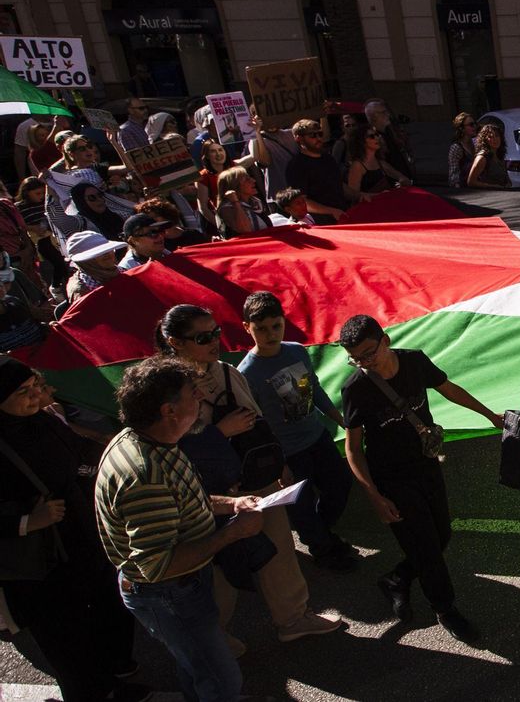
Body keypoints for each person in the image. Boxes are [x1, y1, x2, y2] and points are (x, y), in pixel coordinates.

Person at [156, 305, 346, 650]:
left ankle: (293, 618)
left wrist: (276, 465)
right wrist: (219, 433)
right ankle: (211, 638)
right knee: (216, 568)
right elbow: (163, 446)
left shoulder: (228, 372)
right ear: (175, 343)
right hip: (207, 493)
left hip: (252, 480)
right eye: (202, 337)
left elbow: (258, 422)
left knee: (278, 550)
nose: (214, 341)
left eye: (215, 333)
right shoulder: (163, 388)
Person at [95, 356, 264, 702]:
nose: (201, 397)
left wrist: (232, 504)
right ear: (169, 410)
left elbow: (187, 497)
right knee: (222, 678)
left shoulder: (155, 441)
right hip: (170, 593)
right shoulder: (145, 476)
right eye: (193, 393)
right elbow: (158, 565)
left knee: (197, 665)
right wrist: (232, 532)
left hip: (182, 588)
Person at [338, 314, 503, 643]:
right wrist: (375, 497)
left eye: (368, 354)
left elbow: (449, 388)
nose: (363, 362)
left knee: (441, 535)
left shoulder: (414, 361)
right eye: (355, 358)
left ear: (385, 340)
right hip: (391, 478)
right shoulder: (356, 388)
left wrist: (490, 416)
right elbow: (353, 449)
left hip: (426, 465)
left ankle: (397, 578)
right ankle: (445, 608)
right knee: (426, 546)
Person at [0, 359, 146, 702]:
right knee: (67, 640)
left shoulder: (45, 421)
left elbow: (79, 454)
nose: (36, 395)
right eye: (23, 392)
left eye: (36, 384)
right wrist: (26, 521)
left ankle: (114, 678)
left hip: (83, 537)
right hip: (41, 564)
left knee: (108, 609)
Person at [236, 291, 355, 572]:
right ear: (247, 328)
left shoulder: (296, 350)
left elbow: (314, 389)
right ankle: (322, 550)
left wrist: (340, 419)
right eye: (261, 329)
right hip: (288, 452)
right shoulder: (247, 373)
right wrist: (279, 464)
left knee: (340, 484)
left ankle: (322, 533)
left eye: (276, 326)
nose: (270, 334)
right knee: (301, 507)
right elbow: (257, 426)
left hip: (317, 436)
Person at [284, 119, 347, 224]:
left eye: (320, 134)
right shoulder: (296, 166)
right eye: (312, 135)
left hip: (341, 215)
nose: (318, 138)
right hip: (319, 223)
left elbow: (339, 185)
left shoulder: (328, 158)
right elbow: (302, 202)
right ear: (299, 138)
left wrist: (359, 195)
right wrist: (331, 211)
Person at [344, 122, 409, 198]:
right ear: (361, 141)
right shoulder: (357, 165)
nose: (377, 138)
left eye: (377, 135)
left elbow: (401, 177)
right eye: (372, 136)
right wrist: (380, 195)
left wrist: (402, 181)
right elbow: (353, 195)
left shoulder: (380, 162)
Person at [63, 230, 125, 304]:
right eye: (99, 253)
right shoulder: (81, 291)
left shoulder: (122, 271)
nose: (108, 254)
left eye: (108, 249)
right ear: (84, 262)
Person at [214, 166, 273, 238]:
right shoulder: (227, 208)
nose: (253, 180)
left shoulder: (255, 203)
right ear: (234, 186)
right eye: (246, 179)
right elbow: (245, 230)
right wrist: (235, 202)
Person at [363, 98, 414, 181]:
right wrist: (400, 176)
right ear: (374, 116)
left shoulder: (389, 132)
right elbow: (380, 162)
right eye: (383, 112)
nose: (388, 115)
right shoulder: (371, 136)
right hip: (392, 183)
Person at [466, 122, 512, 189]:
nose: (495, 139)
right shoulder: (482, 158)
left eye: (497, 135)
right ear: (485, 140)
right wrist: (493, 187)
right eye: (490, 137)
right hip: (488, 196)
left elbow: (506, 179)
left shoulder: (500, 155)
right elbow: (471, 182)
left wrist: (508, 184)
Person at [446, 112, 478, 189]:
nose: (474, 127)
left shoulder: (476, 143)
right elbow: (453, 174)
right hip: (466, 189)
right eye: (471, 124)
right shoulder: (456, 148)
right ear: (462, 128)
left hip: (480, 187)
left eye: (474, 124)